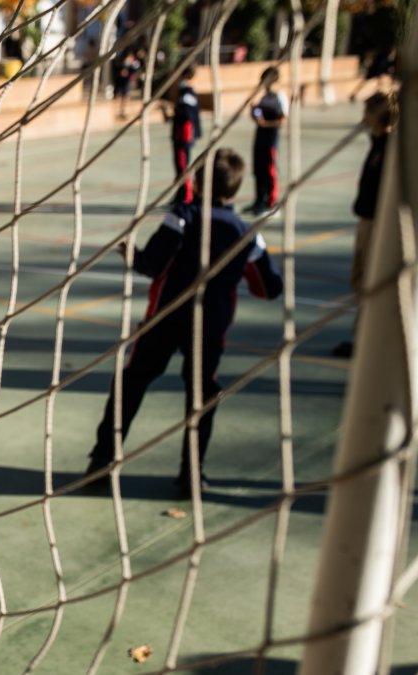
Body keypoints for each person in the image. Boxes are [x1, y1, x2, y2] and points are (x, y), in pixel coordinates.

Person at [84, 149, 283, 498]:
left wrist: (132, 255)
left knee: (132, 382)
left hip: (165, 318)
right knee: (201, 395)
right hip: (209, 326)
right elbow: (269, 289)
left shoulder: (182, 216)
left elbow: (153, 263)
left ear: (197, 183)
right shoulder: (247, 234)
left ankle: (101, 460)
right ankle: (191, 473)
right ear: (236, 189)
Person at [333, 92, 398, 358]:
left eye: (367, 111)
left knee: (372, 282)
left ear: (377, 115)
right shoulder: (377, 142)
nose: (363, 116)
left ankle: (368, 343)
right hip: (366, 222)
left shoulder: (391, 147)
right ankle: (362, 337)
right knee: (359, 279)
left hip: (378, 226)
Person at [246, 66, 288, 217]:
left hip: (271, 138)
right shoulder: (264, 97)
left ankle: (271, 203)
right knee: (258, 169)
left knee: (270, 170)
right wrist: (254, 112)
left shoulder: (279, 97)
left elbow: (283, 120)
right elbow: (257, 114)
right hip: (260, 136)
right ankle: (259, 200)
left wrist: (266, 124)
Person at [168, 65, 202, 205]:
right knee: (179, 166)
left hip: (183, 136)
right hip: (179, 135)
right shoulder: (184, 92)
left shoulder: (188, 94)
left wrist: (175, 113)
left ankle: (187, 196)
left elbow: (188, 117)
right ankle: (180, 193)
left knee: (183, 167)